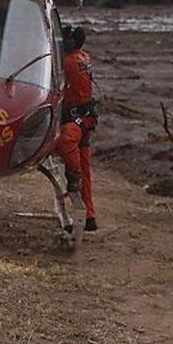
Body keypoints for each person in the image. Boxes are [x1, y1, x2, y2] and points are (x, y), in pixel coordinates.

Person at [54, 25, 99, 231]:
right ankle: (89, 216)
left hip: (79, 118)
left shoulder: (68, 62)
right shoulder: (83, 57)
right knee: (85, 167)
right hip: (86, 117)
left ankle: (73, 178)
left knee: (66, 141)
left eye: (65, 40)